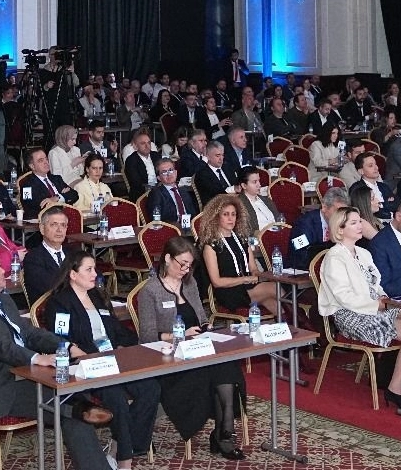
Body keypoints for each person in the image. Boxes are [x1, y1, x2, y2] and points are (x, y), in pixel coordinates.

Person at [0, 250, 110, 470]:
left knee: (70, 396)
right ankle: (81, 413)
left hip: (15, 377)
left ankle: (81, 411)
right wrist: (36, 357)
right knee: (67, 402)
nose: (2, 270)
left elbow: (29, 333)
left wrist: (66, 346)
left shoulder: (3, 299)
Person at [38, 251, 161, 470]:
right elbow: (60, 340)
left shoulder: (97, 297)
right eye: (89, 269)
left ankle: (124, 444)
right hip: (86, 367)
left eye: (95, 269)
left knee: (150, 388)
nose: (95, 274)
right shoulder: (60, 303)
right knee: (117, 399)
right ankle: (124, 459)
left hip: (114, 359)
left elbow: (117, 330)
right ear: (73, 274)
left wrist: (137, 346)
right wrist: (83, 354)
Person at [132, 237, 246, 456]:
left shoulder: (190, 283)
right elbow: (146, 336)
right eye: (182, 264)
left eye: (189, 265)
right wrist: (180, 335)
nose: (185, 270)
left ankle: (224, 430)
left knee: (227, 364)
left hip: (197, 350)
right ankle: (223, 434)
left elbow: (201, 317)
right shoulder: (150, 290)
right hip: (170, 360)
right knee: (214, 371)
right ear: (168, 258)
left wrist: (206, 327)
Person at [316, 206, 401, 406]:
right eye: (354, 223)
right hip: (350, 314)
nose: (360, 226)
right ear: (340, 229)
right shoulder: (334, 257)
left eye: (360, 221)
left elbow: (376, 284)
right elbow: (344, 297)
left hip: (376, 307)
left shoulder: (364, 253)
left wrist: (383, 297)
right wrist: (377, 305)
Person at [196, 195, 275, 318]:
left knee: (276, 303)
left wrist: (257, 276)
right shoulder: (210, 245)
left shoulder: (242, 239)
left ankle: (294, 325)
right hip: (229, 291)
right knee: (274, 288)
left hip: (249, 286)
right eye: (225, 214)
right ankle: (302, 323)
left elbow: (254, 269)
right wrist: (245, 279)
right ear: (216, 217)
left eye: (233, 214)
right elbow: (216, 282)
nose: (230, 218)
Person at [287, 187, 350, 270]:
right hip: (304, 271)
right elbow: (300, 255)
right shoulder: (303, 224)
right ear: (324, 207)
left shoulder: (344, 223)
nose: (341, 216)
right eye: (338, 211)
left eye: (344, 212)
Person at [20, 205, 70, 299]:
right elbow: (51, 288)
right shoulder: (33, 258)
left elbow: (93, 278)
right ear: (42, 229)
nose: (59, 230)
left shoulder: (73, 253)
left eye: (63, 225)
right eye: (54, 224)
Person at [141, 159, 199, 230]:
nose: (169, 174)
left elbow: (193, 213)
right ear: (159, 178)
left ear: (176, 172)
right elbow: (156, 220)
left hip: (189, 228)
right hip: (170, 230)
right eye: (164, 172)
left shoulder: (183, 190)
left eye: (171, 170)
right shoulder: (156, 194)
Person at [19, 148, 76, 218]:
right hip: (43, 221)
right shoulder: (27, 185)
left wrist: (57, 197)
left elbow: (74, 195)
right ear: (32, 166)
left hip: (65, 217)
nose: (46, 162)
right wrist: (63, 197)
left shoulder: (56, 179)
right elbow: (31, 207)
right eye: (41, 160)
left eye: (46, 159)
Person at [235, 166, 280, 237]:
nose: (259, 185)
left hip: (279, 235)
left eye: (259, 181)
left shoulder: (267, 200)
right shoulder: (239, 204)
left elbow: (279, 220)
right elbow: (244, 230)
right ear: (244, 185)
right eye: (254, 182)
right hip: (260, 239)